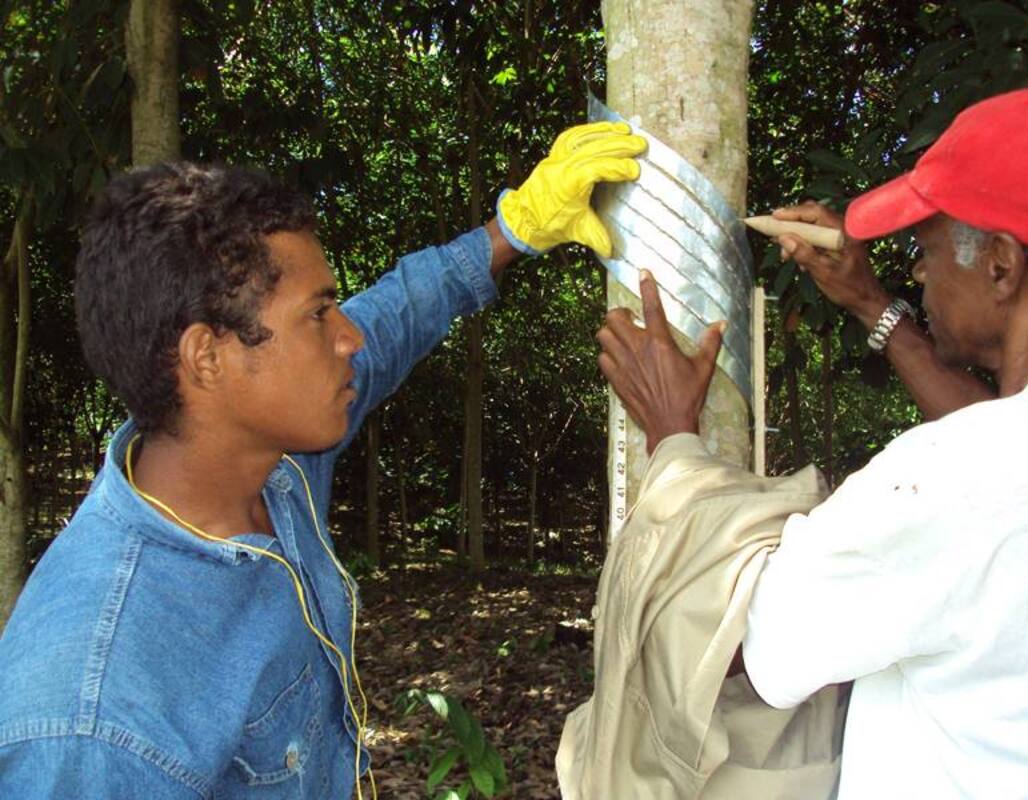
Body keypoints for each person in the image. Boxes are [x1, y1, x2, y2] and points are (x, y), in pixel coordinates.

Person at [0, 121, 645, 799]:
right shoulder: (92, 721)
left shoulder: (267, 463)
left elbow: (394, 317)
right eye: (318, 314)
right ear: (207, 357)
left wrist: (513, 231)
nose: (349, 336)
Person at [597, 81, 1028, 798]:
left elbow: (745, 641)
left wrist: (675, 439)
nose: (916, 270)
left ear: (1001, 265)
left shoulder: (945, 483)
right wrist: (870, 303)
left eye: (926, 247)